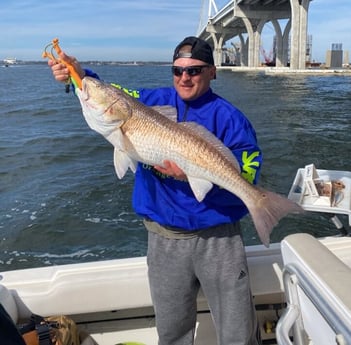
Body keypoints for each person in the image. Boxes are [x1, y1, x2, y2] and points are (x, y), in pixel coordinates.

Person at [49, 36, 263, 345]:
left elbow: (249, 171)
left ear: (213, 72)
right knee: (172, 332)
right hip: (164, 237)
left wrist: (191, 176)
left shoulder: (231, 119)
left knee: (238, 332)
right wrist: (76, 73)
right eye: (177, 71)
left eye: (194, 70)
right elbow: (111, 93)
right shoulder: (150, 101)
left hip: (219, 237)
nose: (184, 78)